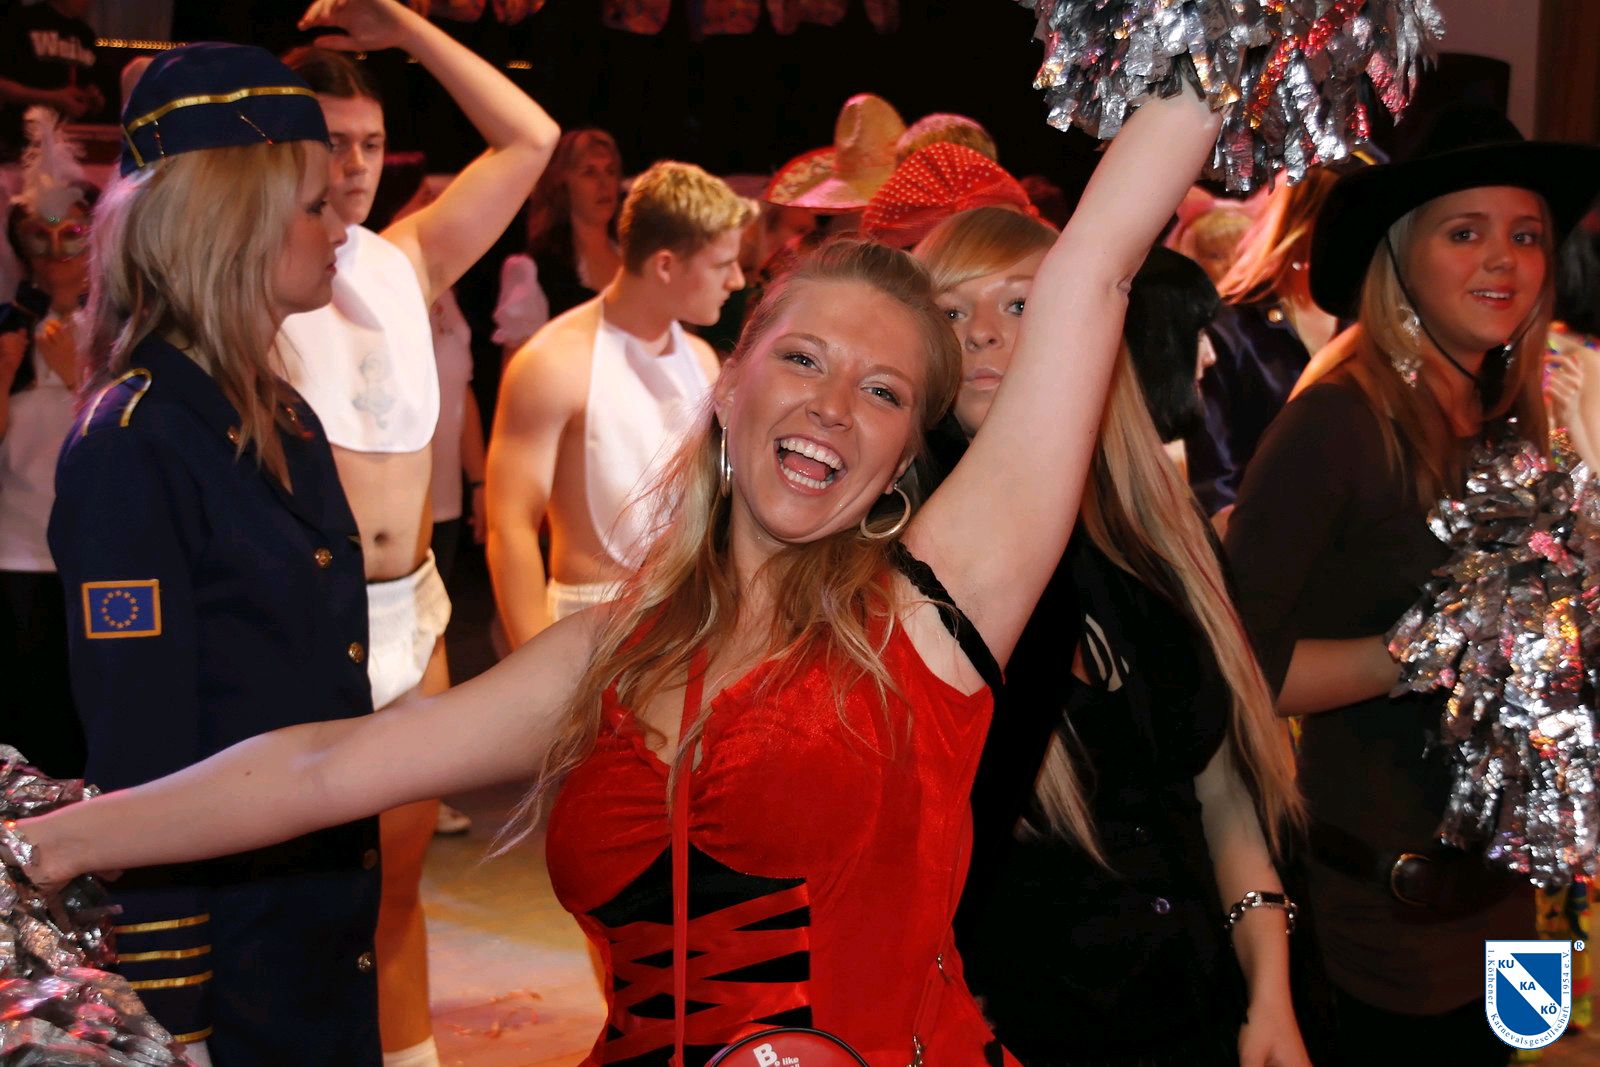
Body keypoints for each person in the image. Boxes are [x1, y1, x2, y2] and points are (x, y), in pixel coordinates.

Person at [17, 87, 1220, 1065]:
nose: (832, 406)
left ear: (906, 458)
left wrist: (1203, 46)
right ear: (729, 385)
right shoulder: (608, 655)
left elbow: (1093, 271)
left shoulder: (935, 609)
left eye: (884, 390)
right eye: (803, 358)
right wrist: (48, 844)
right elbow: (323, 765)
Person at [1223, 110, 1600, 1064]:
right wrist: (1418, 653)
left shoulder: (1515, 415)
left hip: (1509, 904)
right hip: (1383, 916)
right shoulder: (1337, 423)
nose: (1504, 259)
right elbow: (1232, 670)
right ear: (1399, 256)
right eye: (1465, 232)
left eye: (1526, 235)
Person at [42, 42, 373, 1066]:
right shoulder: (133, 444)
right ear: (234, 220)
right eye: (314, 205)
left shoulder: (280, 416)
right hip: (233, 973)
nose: (341, 226)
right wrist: (172, 1013)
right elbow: (140, 760)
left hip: (311, 937)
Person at [916, 207, 1306, 1066]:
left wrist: (1270, 993)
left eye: (1020, 303)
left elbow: (1223, 790)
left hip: (1202, 1010)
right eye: (950, 310)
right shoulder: (909, 567)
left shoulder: (1163, 535)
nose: (981, 332)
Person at [273, 6, 558, 1065]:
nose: (354, 165)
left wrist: (403, 23)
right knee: (295, 897)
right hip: (304, 623)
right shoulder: (247, 278)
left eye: (372, 142)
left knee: (398, 890)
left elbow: (530, 136)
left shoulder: (405, 259)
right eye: (332, 142)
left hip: (413, 614)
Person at [486, 160, 747, 649]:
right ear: (665, 265)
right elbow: (510, 526)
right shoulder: (551, 362)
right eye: (721, 264)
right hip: (587, 626)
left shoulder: (701, 359)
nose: (735, 280)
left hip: (689, 621)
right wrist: (535, 667)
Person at [0, 106, 93, 781]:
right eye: (42, 235)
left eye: (72, 234)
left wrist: (79, 378)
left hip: (95, 553)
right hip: (15, 557)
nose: (57, 252)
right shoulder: (8, 326)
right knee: (25, 724)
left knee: (90, 716)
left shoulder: (126, 325)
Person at [1185, 169, 1338, 520]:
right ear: (1304, 221)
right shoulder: (1229, 328)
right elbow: (1214, 484)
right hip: (1271, 535)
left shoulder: (1372, 316)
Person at [492, 128, 623, 356]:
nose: (604, 184)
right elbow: (516, 369)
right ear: (562, 183)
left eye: (610, 171)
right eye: (589, 173)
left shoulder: (634, 260)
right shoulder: (536, 270)